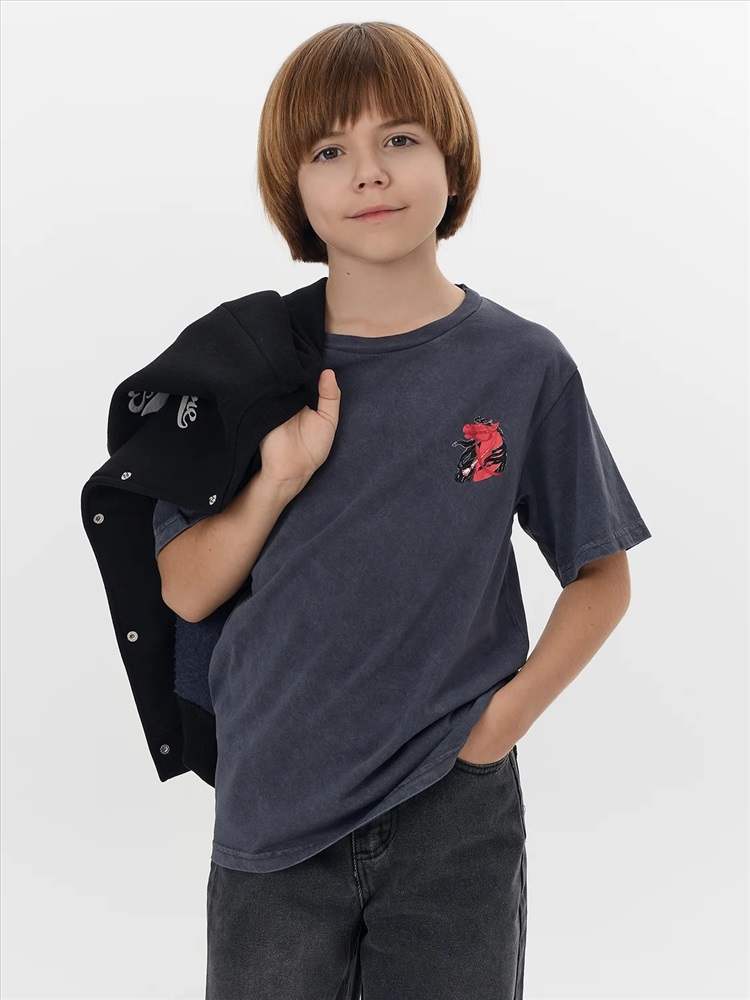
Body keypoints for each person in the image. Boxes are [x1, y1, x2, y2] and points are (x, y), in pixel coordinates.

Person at [152, 20, 652, 1000]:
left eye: (399, 139)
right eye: (329, 151)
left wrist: (495, 730)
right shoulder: (246, 363)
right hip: (275, 804)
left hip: (452, 811)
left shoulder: (523, 365)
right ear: (293, 188)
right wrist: (276, 479)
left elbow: (602, 575)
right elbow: (186, 588)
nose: (370, 173)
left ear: (450, 159)